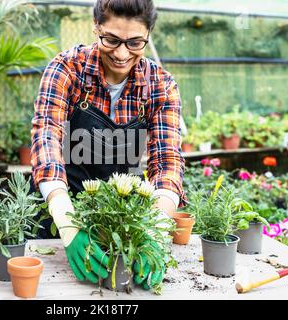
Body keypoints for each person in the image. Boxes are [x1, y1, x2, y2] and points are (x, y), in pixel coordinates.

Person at [30, 0, 187, 290]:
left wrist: (154, 229)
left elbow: (167, 162)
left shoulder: (159, 85)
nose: (121, 53)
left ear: (148, 34)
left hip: (120, 218)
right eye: (111, 39)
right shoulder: (67, 69)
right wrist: (67, 225)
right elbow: (46, 140)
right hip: (60, 212)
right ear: (96, 27)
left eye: (135, 42)